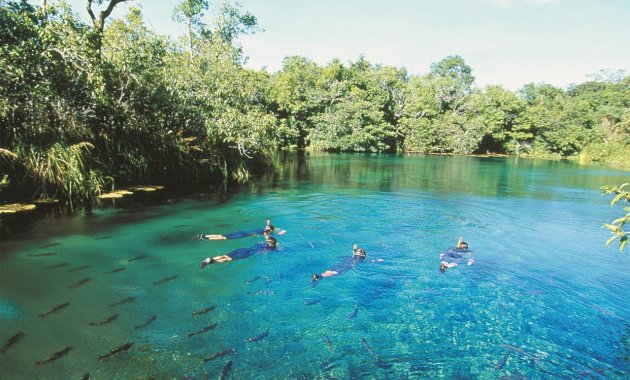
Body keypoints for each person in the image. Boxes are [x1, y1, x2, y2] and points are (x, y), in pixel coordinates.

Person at [199, 233, 277, 268]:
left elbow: (266, 238)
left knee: (225, 256)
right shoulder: (270, 248)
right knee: (227, 259)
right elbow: (265, 251)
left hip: (242, 249)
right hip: (246, 253)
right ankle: (212, 261)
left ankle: (209, 259)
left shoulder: (262, 243)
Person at [197, 219, 284, 241]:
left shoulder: (266, 230)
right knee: (223, 237)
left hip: (242, 233)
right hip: (242, 235)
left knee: (222, 235)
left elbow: (268, 223)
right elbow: (269, 231)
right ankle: (205, 238)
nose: (266, 227)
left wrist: (277, 230)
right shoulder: (266, 232)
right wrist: (279, 232)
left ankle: (204, 236)